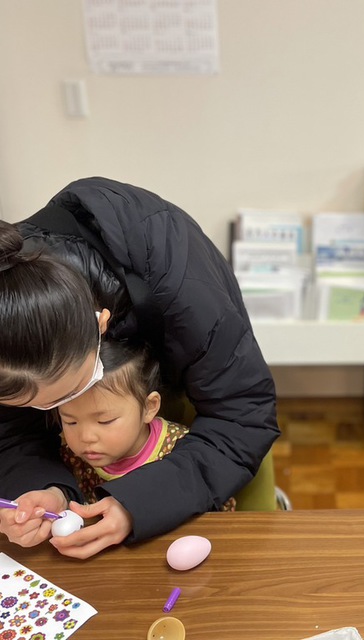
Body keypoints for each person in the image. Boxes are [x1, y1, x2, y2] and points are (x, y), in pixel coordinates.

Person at [0, 176, 278, 558]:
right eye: (45, 409)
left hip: (208, 390)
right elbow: (12, 436)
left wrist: (138, 504)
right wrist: (43, 489)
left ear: (102, 324)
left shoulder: (182, 281)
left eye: (71, 392)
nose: (59, 418)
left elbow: (242, 415)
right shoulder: (10, 307)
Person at [56, 340, 236, 512]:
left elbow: (219, 504)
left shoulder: (183, 449)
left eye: (105, 421)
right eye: (71, 421)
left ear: (149, 407)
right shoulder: (69, 455)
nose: (86, 437)